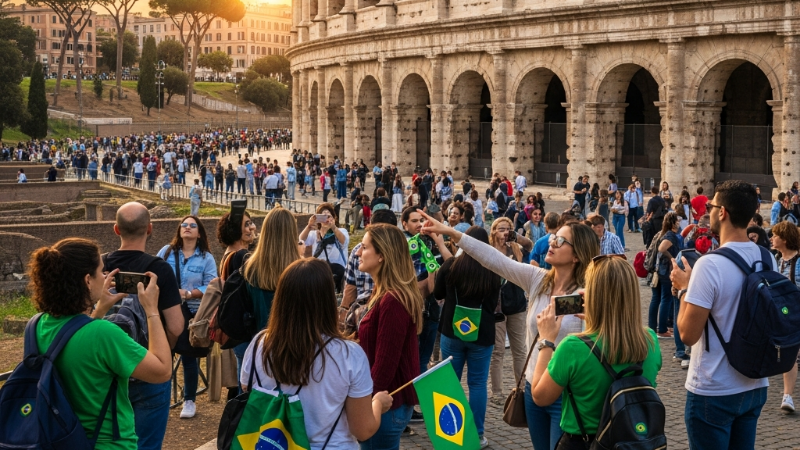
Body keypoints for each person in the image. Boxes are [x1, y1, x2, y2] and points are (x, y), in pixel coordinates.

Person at [420, 213, 598, 450]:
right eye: (553, 238)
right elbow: (493, 259)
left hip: (567, 394)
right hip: (533, 387)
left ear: (577, 255)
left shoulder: (587, 294)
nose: (551, 243)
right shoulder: (539, 280)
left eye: (560, 241)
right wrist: (451, 233)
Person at [27, 238, 172, 450]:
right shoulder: (104, 334)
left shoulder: (35, 325)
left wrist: (100, 309)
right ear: (87, 280)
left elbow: (74, 340)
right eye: (101, 272)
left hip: (59, 438)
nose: (105, 277)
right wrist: (151, 309)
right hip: (106, 443)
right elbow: (162, 371)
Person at [239, 258, 393, 449]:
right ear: (328, 300)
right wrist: (377, 403)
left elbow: (247, 388)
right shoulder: (349, 355)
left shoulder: (259, 344)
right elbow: (362, 430)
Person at [670, 180, 774, 450]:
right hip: (754, 384)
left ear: (723, 212)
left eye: (711, 206)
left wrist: (683, 289)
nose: (708, 211)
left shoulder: (709, 265)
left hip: (714, 388)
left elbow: (688, 335)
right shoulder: (767, 258)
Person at [530, 257, 662, 450]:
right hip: (632, 439)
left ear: (592, 296)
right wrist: (597, 320)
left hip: (583, 442)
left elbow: (540, 397)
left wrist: (546, 340)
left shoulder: (572, 347)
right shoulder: (650, 340)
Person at [102, 202, 184, 450]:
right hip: (149, 368)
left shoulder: (100, 267)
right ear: (149, 229)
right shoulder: (159, 270)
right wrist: (161, 353)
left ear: (116, 229)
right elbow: (176, 326)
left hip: (107, 371)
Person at [356, 224, 424, 450]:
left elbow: (385, 364)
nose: (357, 252)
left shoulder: (392, 300)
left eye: (364, 247)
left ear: (382, 255)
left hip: (387, 405)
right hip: (383, 402)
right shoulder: (382, 292)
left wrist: (365, 406)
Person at [433, 226, 501, 448]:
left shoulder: (451, 266)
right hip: (482, 334)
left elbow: (438, 293)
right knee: (478, 383)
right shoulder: (493, 269)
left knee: (450, 382)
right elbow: (493, 304)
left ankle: (450, 434)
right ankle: (477, 434)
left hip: (452, 331)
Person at [156, 216, 218, 419]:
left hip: (192, 313)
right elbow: (154, 274)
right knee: (162, 354)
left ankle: (189, 400)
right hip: (166, 310)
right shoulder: (166, 252)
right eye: (184, 225)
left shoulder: (206, 258)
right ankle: (161, 397)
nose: (188, 228)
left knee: (189, 357)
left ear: (199, 233)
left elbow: (211, 285)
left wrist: (189, 294)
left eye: (193, 225)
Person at [487, 218, 532, 408]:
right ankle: (497, 392)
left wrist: (516, 238)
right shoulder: (488, 251)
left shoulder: (516, 249)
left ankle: (521, 388)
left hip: (516, 304)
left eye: (508, 229)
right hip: (496, 307)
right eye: (501, 229)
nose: (504, 232)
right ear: (493, 231)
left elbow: (529, 245)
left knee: (519, 350)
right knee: (497, 351)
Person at [768, 221, 800, 413]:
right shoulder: (776, 260)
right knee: (790, 353)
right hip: (784, 315)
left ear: (785, 239)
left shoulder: (799, 261)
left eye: (775, 235)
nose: (771, 238)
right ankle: (787, 396)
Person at [302, 203, 350, 293]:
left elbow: (344, 242)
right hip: (319, 273)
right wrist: (309, 226)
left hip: (338, 274)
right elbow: (301, 240)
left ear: (334, 218)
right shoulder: (314, 234)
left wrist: (333, 227)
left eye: (328, 216)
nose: (326, 219)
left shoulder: (341, 231)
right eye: (322, 216)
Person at [649, 212, 680, 339]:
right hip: (665, 270)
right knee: (666, 299)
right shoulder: (670, 235)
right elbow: (662, 248)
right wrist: (672, 259)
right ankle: (662, 329)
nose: (679, 223)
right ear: (673, 223)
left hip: (658, 270)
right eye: (677, 221)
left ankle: (652, 327)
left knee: (656, 298)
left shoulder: (661, 233)